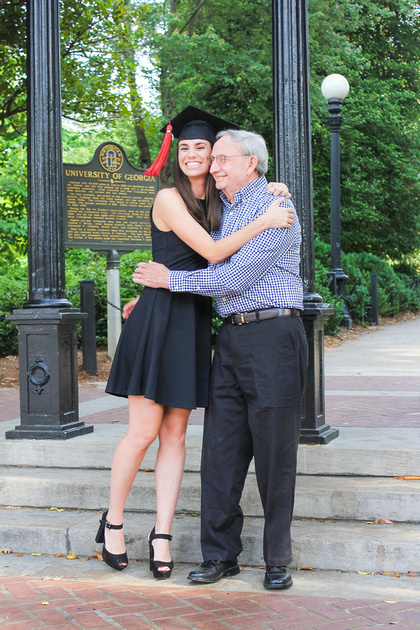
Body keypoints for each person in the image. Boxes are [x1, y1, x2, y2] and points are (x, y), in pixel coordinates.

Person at [96, 106, 294, 579]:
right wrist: (267, 220)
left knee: (177, 436)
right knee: (144, 432)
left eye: (203, 149)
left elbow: (242, 222)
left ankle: (161, 534)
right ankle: (114, 523)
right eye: (183, 147)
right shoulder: (169, 198)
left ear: (219, 159)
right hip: (162, 317)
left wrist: (275, 188)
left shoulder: (225, 204)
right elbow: (211, 254)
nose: (193, 155)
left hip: (194, 323)